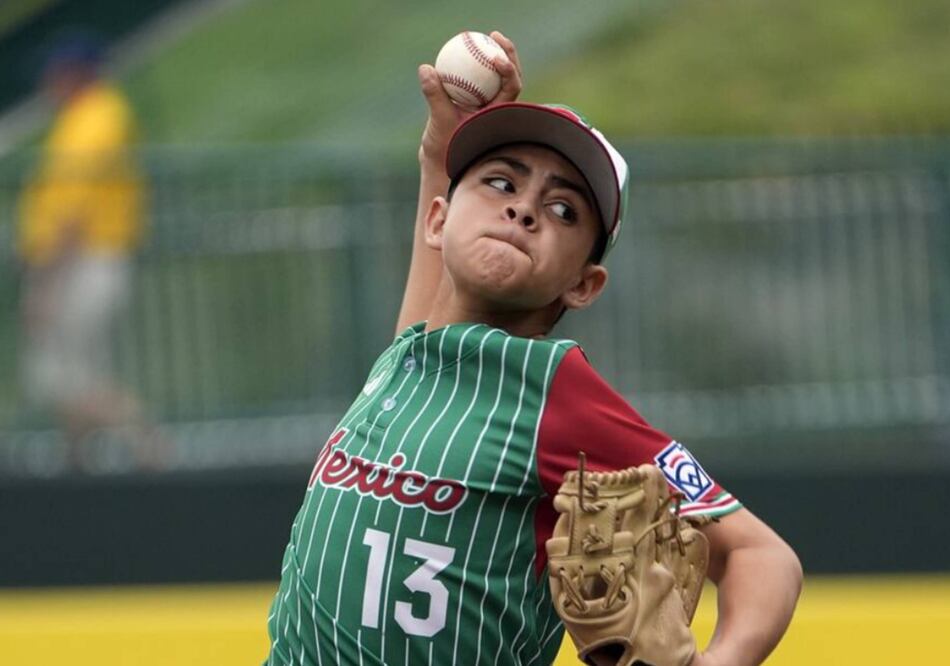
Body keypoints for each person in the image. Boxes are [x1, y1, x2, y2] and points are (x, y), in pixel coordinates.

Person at [265, 32, 801, 666]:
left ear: (583, 283)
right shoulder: (409, 360)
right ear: (438, 219)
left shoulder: (552, 391)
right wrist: (438, 152)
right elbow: (430, 314)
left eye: (564, 210)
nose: (523, 210)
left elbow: (760, 556)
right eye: (499, 182)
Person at [17, 34, 155, 470]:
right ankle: (77, 464)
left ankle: (148, 444)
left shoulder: (97, 117)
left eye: (57, 72)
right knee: (74, 366)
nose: (48, 82)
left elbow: (73, 209)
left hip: (82, 260)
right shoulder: (82, 118)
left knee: (61, 374)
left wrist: (46, 279)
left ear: (76, 74)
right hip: (83, 259)